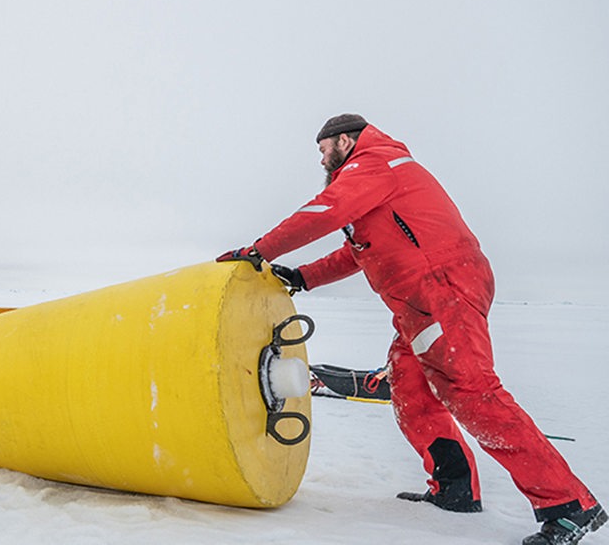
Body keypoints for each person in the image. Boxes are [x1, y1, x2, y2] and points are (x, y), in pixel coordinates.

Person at [218, 113, 603, 545]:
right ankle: (455, 488)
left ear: (344, 140)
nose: (321, 158)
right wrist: (303, 277)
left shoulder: (374, 164)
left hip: (443, 289)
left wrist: (257, 251)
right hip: (418, 304)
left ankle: (569, 505)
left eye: (324, 148)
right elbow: (357, 253)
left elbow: (323, 212)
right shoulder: (370, 183)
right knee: (410, 387)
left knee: (473, 392)